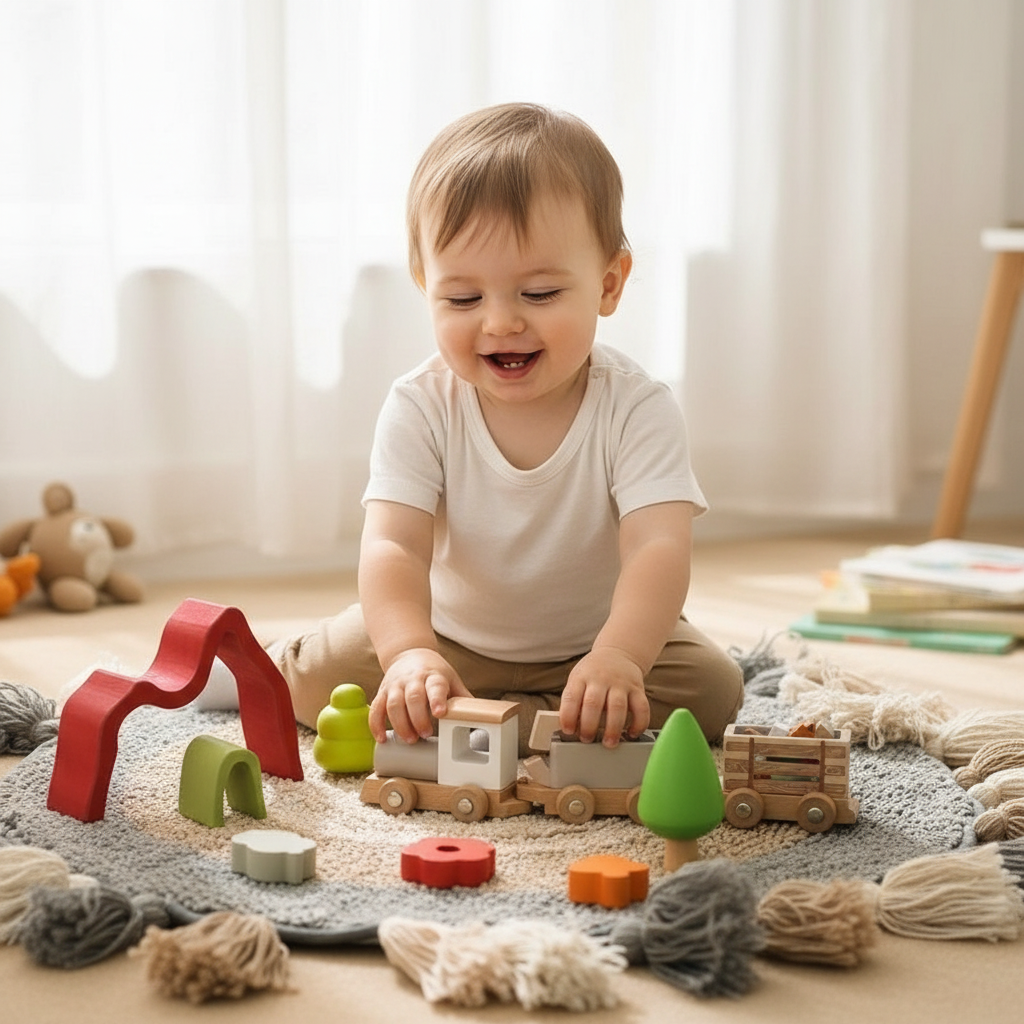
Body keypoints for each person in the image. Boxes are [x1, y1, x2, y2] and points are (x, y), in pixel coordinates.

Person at [269, 102, 744, 755]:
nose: (499, 323)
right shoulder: (421, 404)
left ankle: (495, 718)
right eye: (463, 299)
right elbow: (394, 548)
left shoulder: (637, 408)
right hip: (451, 637)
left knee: (714, 693)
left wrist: (621, 657)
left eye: (540, 294)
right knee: (309, 685)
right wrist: (409, 653)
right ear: (425, 285)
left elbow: (657, 549)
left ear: (609, 284)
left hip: (597, 637)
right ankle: (524, 718)